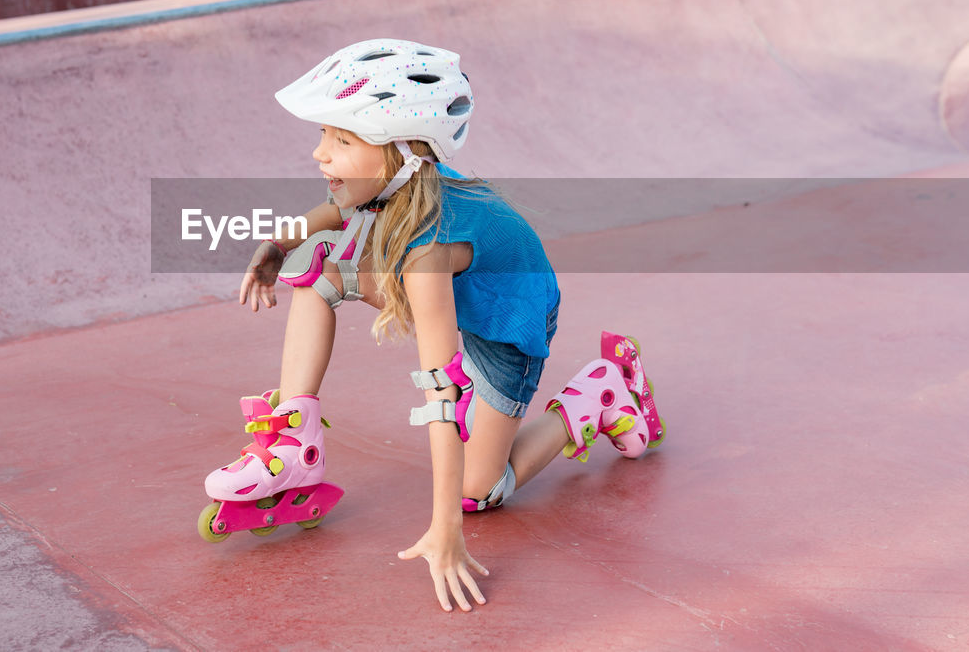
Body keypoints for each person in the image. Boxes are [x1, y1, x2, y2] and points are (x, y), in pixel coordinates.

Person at [203, 39, 664, 613]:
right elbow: (335, 212)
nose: (320, 153)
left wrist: (446, 529)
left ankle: (601, 391)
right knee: (315, 265)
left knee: (480, 492)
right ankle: (298, 443)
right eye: (325, 135)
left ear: (399, 156)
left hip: (505, 328)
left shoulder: (429, 253)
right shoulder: (398, 184)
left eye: (341, 141)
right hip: (461, 295)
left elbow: (439, 392)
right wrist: (278, 242)